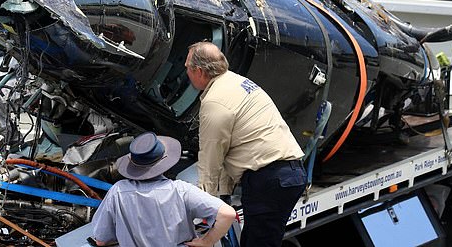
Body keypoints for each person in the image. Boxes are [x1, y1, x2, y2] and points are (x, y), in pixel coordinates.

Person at [185, 41, 307, 247]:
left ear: (199, 71)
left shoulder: (215, 102)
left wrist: (205, 206)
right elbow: (228, 148)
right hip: (288, 174)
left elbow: (211, 158)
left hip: (269, 180)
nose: (185, 70)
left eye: (187, 66)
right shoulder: (236, 81)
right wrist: (224, 195)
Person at [91, 132, 236, 247]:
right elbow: (227, 214)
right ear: (164, 160)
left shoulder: (118, 192)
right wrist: (207, 241)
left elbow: (101, 240)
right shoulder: (181, 190)